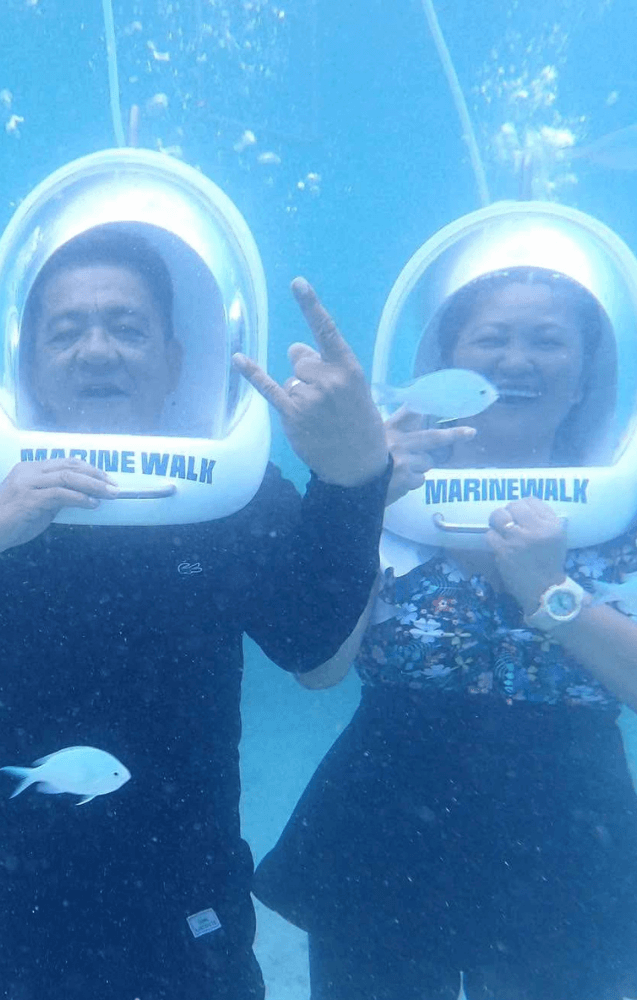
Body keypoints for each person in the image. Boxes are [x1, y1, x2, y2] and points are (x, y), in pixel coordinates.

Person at [0, 224, 392, 1000]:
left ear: (176, 361)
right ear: (28, 365)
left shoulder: (231, 500)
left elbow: (308, 644)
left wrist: (352, 478)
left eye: (128, 327)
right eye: (65, 330)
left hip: (186, 916)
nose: (97, 349)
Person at [254, 263, 637, 1000]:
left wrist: (551, 593)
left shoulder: (622, 509)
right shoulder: (381, 488)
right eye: (491, 338)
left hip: (569, 840)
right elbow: (320, 670)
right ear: (443, 364)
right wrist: (359, 502)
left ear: (588, 375)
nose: (517, 360)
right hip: (383, 826)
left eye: (548, 342)